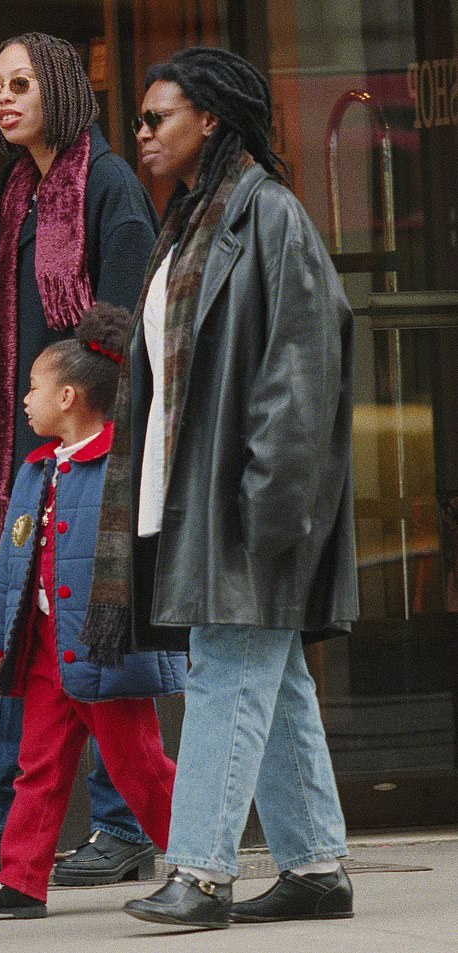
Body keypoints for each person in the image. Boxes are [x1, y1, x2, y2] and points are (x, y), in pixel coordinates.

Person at [78, 47, 358, 930]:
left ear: (211, 118)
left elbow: (303, 368)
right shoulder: (193, 222)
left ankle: (200, 872)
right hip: (200, 496)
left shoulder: (266, 215)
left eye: (158, 117)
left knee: (226, 672)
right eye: (141, 119)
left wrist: (270, 505)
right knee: (270, 682)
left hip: (250, 502)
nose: (143, 133)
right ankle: (315, 868)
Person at [0, 32, 160, 883]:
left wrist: (83, 431)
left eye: (20, 85)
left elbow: (123, 328)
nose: (2, 100)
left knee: (93, 643)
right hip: (10, 463)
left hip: (84, 459)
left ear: (58, 89)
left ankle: (123, 825)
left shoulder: (110, 188)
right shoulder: (19, 190)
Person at [0, 305, 186, 918]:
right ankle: (20, 879)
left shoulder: (123, 466)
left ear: (70, 396)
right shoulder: (35, 470)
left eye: (33, 387)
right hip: (48, 647)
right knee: (38, 766)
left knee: (141, 769)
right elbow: (8, 572)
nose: (25, 400)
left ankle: (197, 865)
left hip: (108, 650)